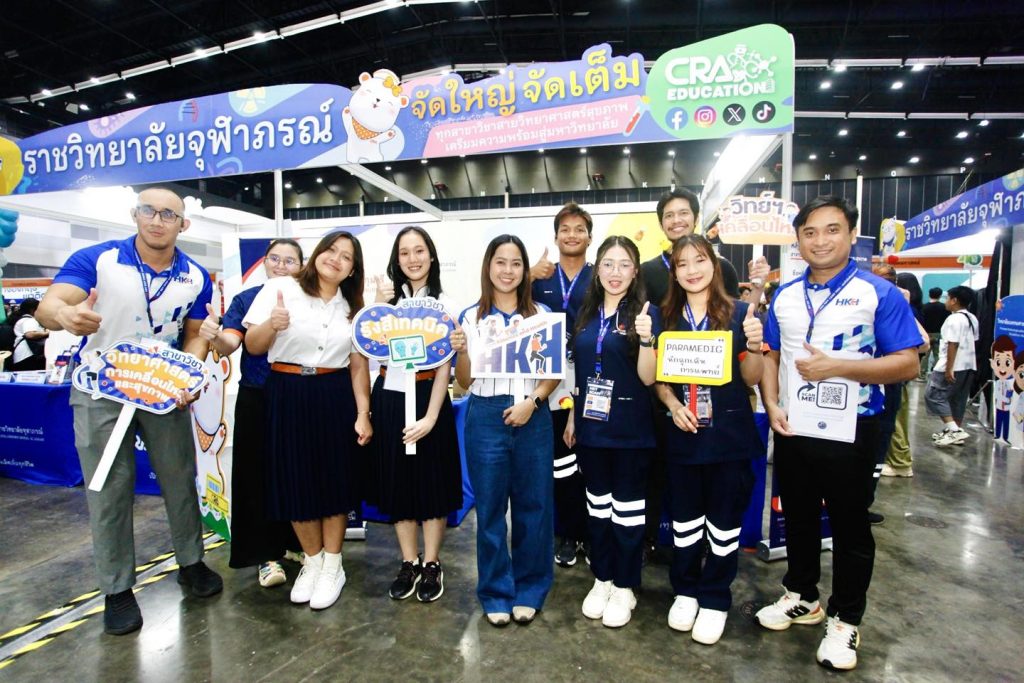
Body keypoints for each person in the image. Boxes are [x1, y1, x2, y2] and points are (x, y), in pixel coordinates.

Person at [36, 187, 222, 636]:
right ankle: (117, 588)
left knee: (179, 478)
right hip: (101, 386)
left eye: (168, 214)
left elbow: (196, 333)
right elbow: (49, 306)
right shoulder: (98, 260)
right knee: (109, 487)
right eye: (148, 211)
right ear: (135, 215)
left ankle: (191, 562)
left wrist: (187, 374)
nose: (157, 220)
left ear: (183, 224)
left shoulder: (195, 275)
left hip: (161, 390)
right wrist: (66, 316)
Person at [755, 196, 920, 671]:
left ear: (850, 235)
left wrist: (838, 368)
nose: (820, 240)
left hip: (855, 427)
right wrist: (771, 403)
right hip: (794, 425)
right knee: (798, 516)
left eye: (832, 230)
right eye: (810, 232)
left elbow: (907, 362)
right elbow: (771, 355)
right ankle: (802, 596)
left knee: (850, 526)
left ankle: (846, 619)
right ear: (798, 240)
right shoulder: (785, 295)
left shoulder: (879, 293)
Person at [243, 230, 373, 611]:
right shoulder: (281, 288)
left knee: (333, 482)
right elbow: (253, 345)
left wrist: (363, 413)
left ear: (352, 270)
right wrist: (272, 325)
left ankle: (333, 566)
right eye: (331, 250)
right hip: (287, 390)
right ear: (317, 254)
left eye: (346, 257)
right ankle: (312, 563)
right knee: (294, 480)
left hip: (334, 393)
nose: (336, 259)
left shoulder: (353, 307)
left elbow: (358, 366)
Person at [652, 235, 764, 645]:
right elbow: (658, 379)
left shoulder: (739, 313)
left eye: (699, 261)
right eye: (682, 264)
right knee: (684, 522)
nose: (691, 270)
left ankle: (715, 597)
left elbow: (751, 377)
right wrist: (671, 404)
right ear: (674, 272)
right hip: (682, 437)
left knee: (723, 523)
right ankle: (684, 590)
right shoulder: (664, 317)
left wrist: (755, 345)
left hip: (728, 438)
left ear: (714, 265)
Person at [451, 234, 560, 627]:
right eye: (501, 262)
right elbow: (464, 382)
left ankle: (530, 588)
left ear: (524, 269)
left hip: (533, 414)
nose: (508, 270)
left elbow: (552, 373)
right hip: (485, 416)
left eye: (516, 263)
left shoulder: (542, 314)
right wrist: (463, 350)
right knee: (490, 508)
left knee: (535, 506)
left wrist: (534, 401)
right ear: (489, 266)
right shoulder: (470, 317)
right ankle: (496, 591)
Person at [197, 239, 304, 588]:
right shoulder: (247, 299)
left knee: (295, 473)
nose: (281, 265)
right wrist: (214, 337)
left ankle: (296, 544)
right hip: (258, 395)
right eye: (275, 258)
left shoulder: (311, 299)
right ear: (265, 262)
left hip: (299, 398)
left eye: (290, 260)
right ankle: (265, 555)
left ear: (301, 266)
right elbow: (231, 343)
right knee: (255, 476)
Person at [564, 236, 658, 629]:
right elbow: (579, 372)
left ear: (635, 271)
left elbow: (649, 378)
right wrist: (573, 418)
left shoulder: (645, 314)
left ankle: (624, 584)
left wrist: (647, 338)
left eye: (623, 264)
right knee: (598, 509)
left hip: (631, 431)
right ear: (597, 269)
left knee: (628, 514)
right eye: (607, 263)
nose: (615, 272)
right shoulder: (585, 314)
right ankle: (602, 578)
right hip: (591, 429)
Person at [367, 226, 462, 603]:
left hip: (428, 396)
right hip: (390, 396)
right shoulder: (385, 301)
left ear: (431, 256)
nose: (413, 259)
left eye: (419, 250)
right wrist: (377, 307)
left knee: (432, 482)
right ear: (396, 259)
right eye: (404, 252)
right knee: (399, 481)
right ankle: (408, 561)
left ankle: (432, 562)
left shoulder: (446, 303)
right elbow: (369, 351)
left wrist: (432, 417)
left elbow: (445, 366)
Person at [530, 202, 594, 568]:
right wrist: (527, 275)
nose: (572, 235)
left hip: (592, 376)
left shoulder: (599, 276)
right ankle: (569, 532)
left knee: (591, 459)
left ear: (589, 237)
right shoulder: (541, 277)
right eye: (565, 229)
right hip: (550, 379)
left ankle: (591, 532)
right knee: (561, 461)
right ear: (555, 237)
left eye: (579, 229)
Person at [926, 286, 980, 447]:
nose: (946, 301)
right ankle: (953, 430)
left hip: (951, 365)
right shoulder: (972, 318)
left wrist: (949, 368)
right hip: (968, 365)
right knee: (957, 399)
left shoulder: (954, 319)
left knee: (933, 395)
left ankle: (954, 430)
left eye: (948, 298)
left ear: (954, 300)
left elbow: (953, 343)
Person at [991, 335, 1017, 445]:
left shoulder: (1009, 383)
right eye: (998, 362)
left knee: (1006, 422)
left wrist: (1009, 397)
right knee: (999, 420)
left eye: (1007, 362)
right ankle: (998, 434)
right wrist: (1005, 398)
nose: (1002, 368)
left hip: (1006, 408)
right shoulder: (998, 383)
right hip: (999, 406)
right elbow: (998, 395)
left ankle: (1005, 437)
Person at [11, 297, 49, 370]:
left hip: (22, 357)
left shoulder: (22, 320)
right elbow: (30, 334)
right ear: (32, 310)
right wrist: (47, 333)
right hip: (28, 355)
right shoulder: (29, 320)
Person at [920, 287, 949, 379]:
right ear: (940, 295)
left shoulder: (923, 307)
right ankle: (937, 373)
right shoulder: (944, 307)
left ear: (929, 295)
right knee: (938, 355)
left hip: (926, 334)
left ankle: (921, 374)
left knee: (925, 355)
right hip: (939, 334)